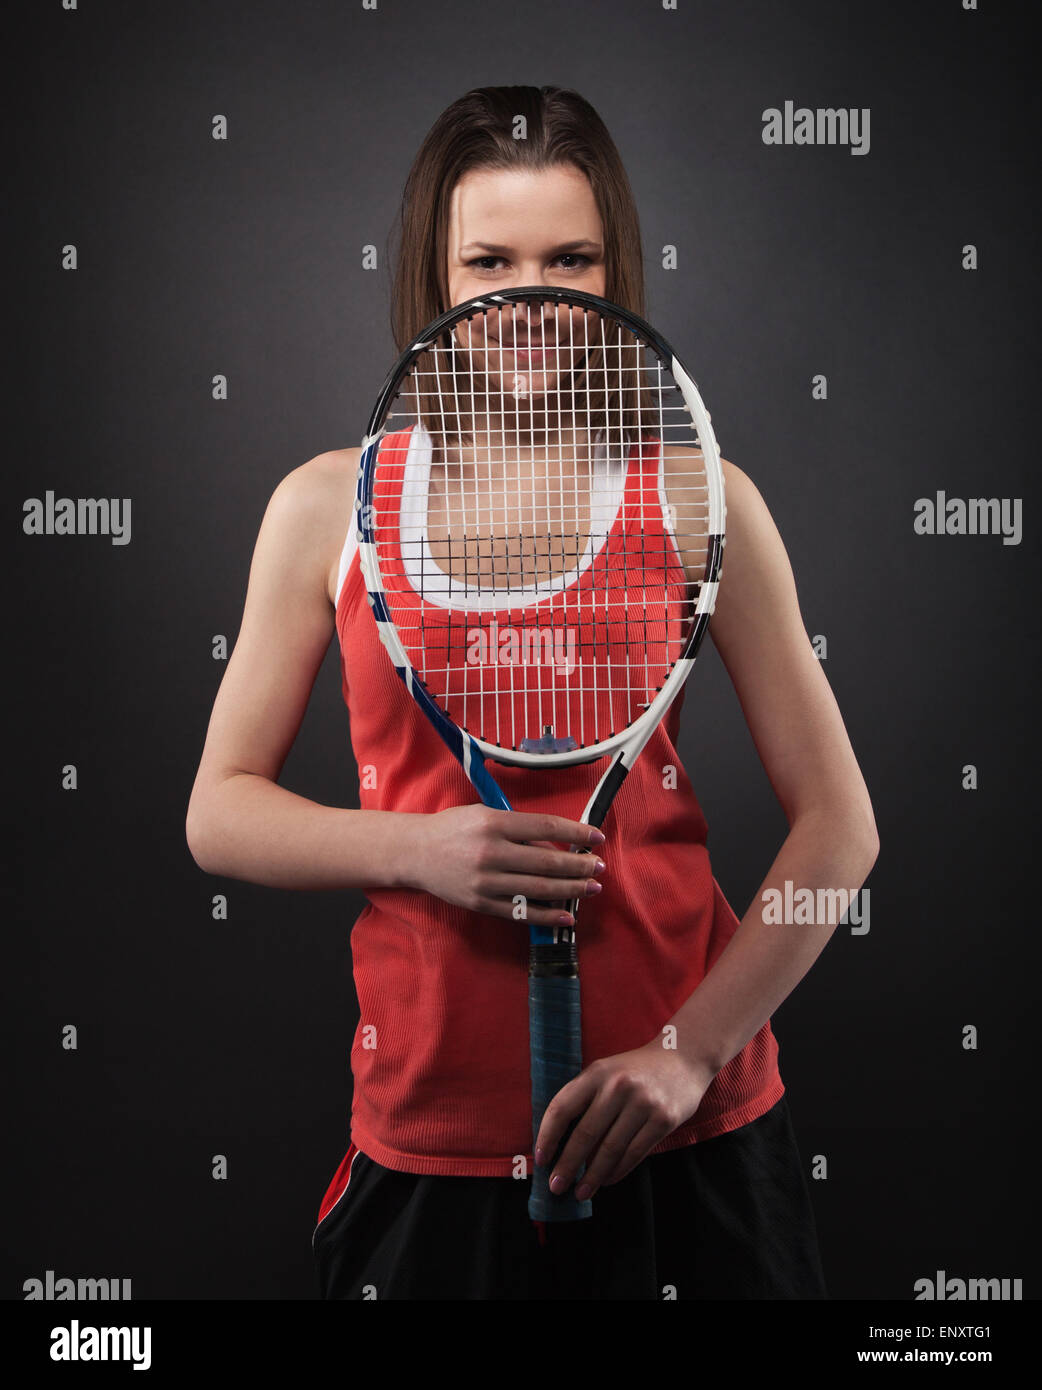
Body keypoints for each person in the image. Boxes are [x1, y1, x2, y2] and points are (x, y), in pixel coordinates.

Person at [186, 85, 878, 1301]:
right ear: (432, 274)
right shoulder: (323, 508)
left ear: (615, 269)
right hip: (428, 1141)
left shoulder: (701, 499)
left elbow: (840, 832)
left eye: (571, 257)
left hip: (690, 1133)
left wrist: (686, 1054)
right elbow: (220, 812)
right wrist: (418, 849)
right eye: (489, 261)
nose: (531, 298)